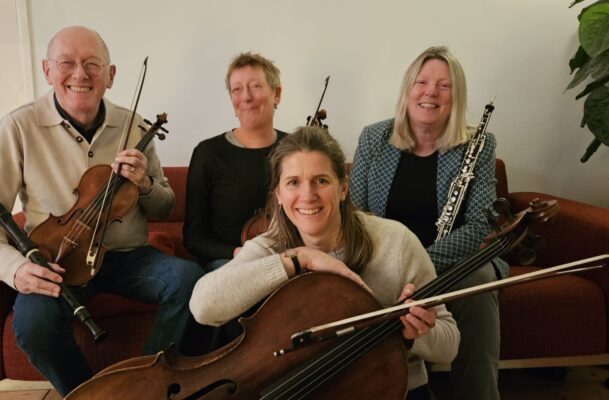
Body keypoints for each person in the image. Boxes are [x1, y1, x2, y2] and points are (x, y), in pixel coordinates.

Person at [0, 26, 203, 396]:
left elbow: (165, 204)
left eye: (92, 64)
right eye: (66, 63)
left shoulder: (135, 126)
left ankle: (144, 388)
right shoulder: (18, 127)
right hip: (59, 261)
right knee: (34, 324)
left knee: (190, 281)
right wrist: (15, 268)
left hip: (128, 256)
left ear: (110, 75)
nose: (80, 74)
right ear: (47, 71)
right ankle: (90, 395)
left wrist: (145, 184)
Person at [190, 126, 459, 399]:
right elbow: (202, 306)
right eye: (293, 182)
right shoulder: (270, 246)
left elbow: (449, 345)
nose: (308, 195)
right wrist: (300, 258)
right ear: (278, 195)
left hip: (390, 391)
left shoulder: (396, 242)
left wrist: (414, 335)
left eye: (320, 180)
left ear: (343, 188)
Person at [350, 46, 507, 400]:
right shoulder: (374, 138)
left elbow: (480, 225)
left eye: (444, 86)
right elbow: (357, 217)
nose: (430, 93)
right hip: (386, 260)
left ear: (456, 96)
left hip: (450, 261)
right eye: (421, 82)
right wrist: (395, 265)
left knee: (480, 281)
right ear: (408, 89)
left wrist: (422, 264)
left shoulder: (479, 144)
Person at [184, 52, 287, 272]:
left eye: (256, 86)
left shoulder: (295, 149)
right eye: (237, 90)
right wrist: (237, 253)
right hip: (229, 262)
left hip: (287, 258)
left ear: (276, 94)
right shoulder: (208, 153)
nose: (246, 97)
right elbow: (193, 237)